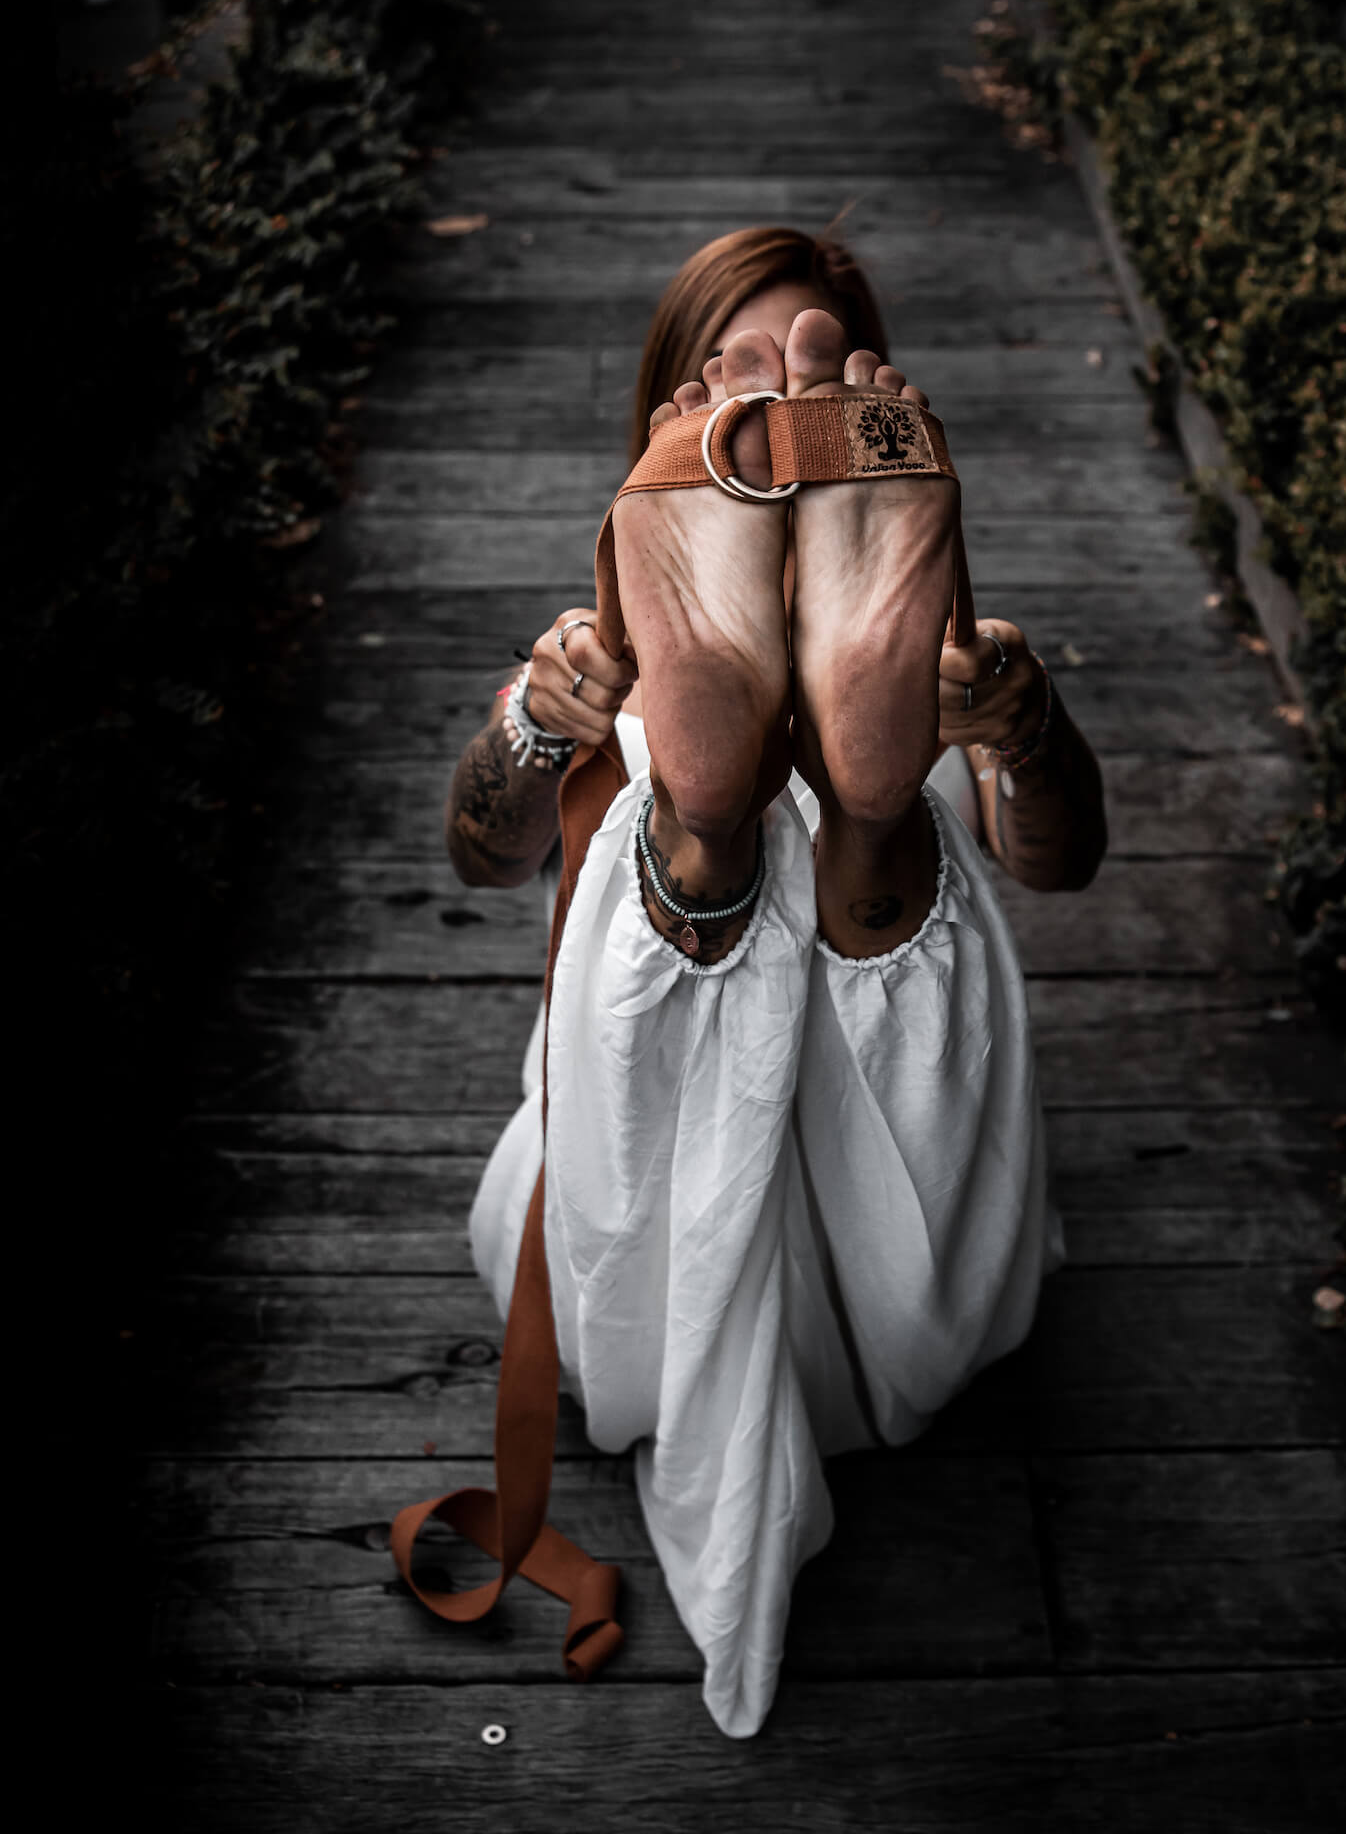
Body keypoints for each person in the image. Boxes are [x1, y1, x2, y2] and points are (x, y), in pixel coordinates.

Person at [419, 227, 1106, 1738]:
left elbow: (1058, 856)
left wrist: (1012, 712)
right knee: (822, 824)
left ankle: (753, 800)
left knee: (812, 813)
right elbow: (488, 847)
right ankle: (762, 787)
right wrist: (543, 723)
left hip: (777, 1179)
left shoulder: (953, 659)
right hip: (850, 1231)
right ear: (656, 426)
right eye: (724, 392)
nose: (764, 403)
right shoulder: (602, 649)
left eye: (800, 390)